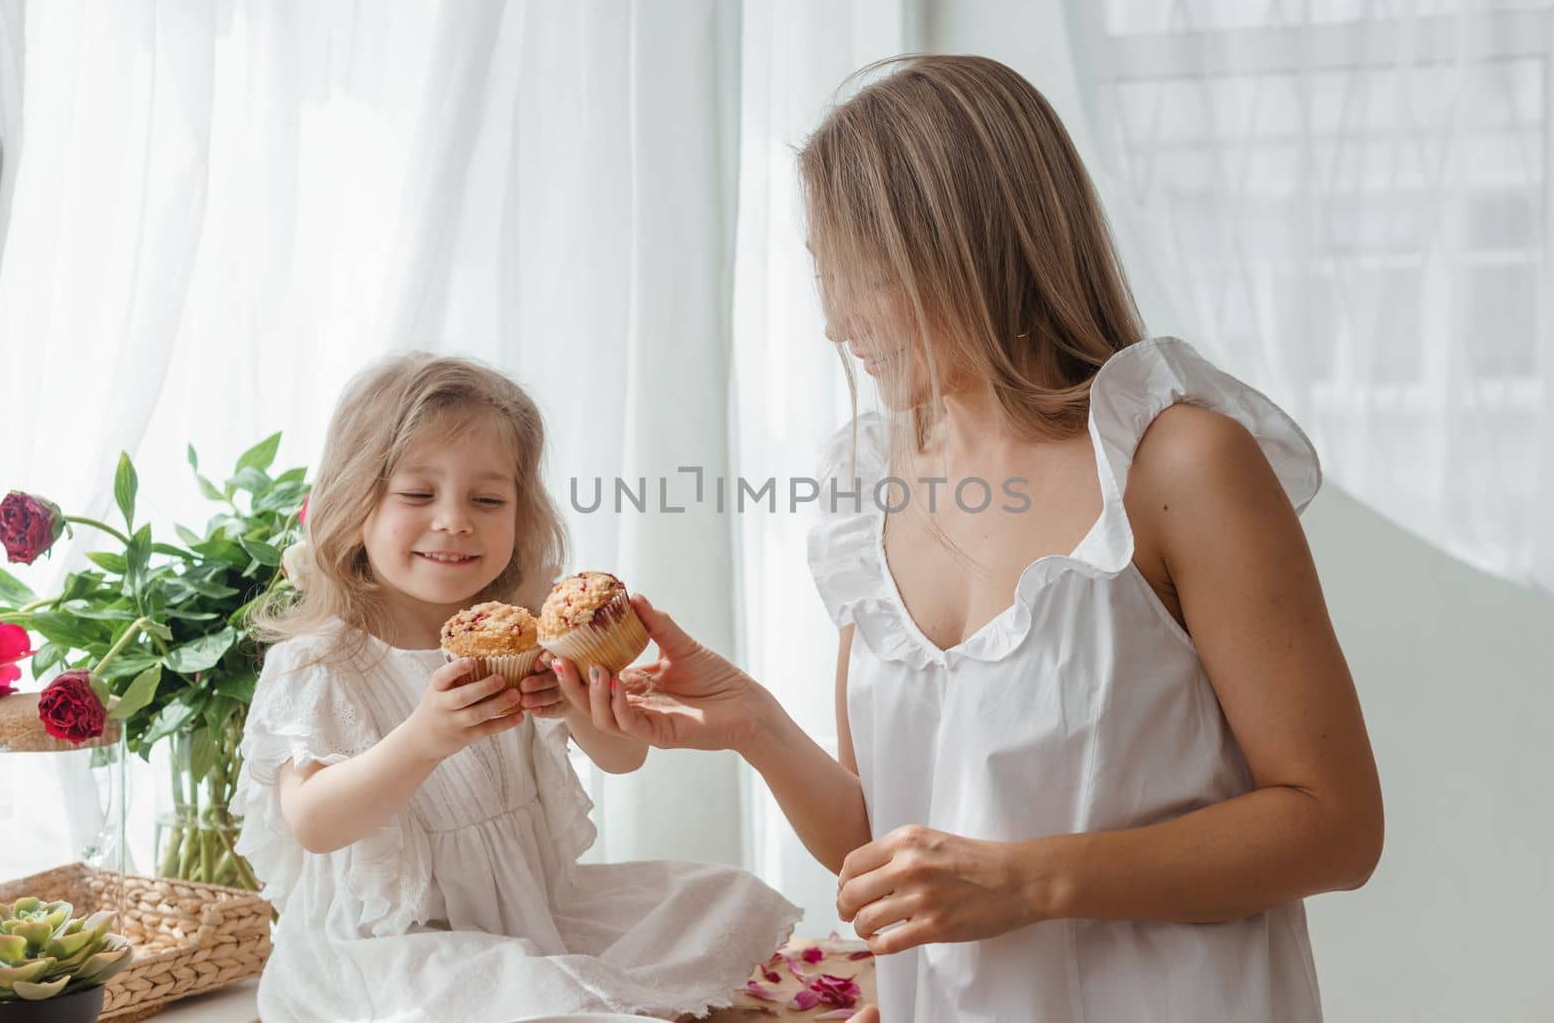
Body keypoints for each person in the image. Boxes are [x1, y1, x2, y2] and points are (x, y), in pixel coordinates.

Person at [553, 55, 1383, 1022]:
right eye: (825, 277)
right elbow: (889, 840)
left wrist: (1029, 882)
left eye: (857, 276)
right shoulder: (873, 486)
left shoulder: (1176, 463)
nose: (833, 323)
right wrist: (754, 725)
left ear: (963, 248)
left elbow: (1334, 827)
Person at [234, 353, 800, 1022]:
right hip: (395, 948)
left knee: (717, 896)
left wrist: (582, 703)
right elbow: (314, 824)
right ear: (354, 504)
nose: (454, 520)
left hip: (534, 914)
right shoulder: (323, 660)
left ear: (523, 513)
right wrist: (422, 740)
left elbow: (625, 758)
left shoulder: (534, 635)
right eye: (418, 494)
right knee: (507, 986)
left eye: (489, 499)